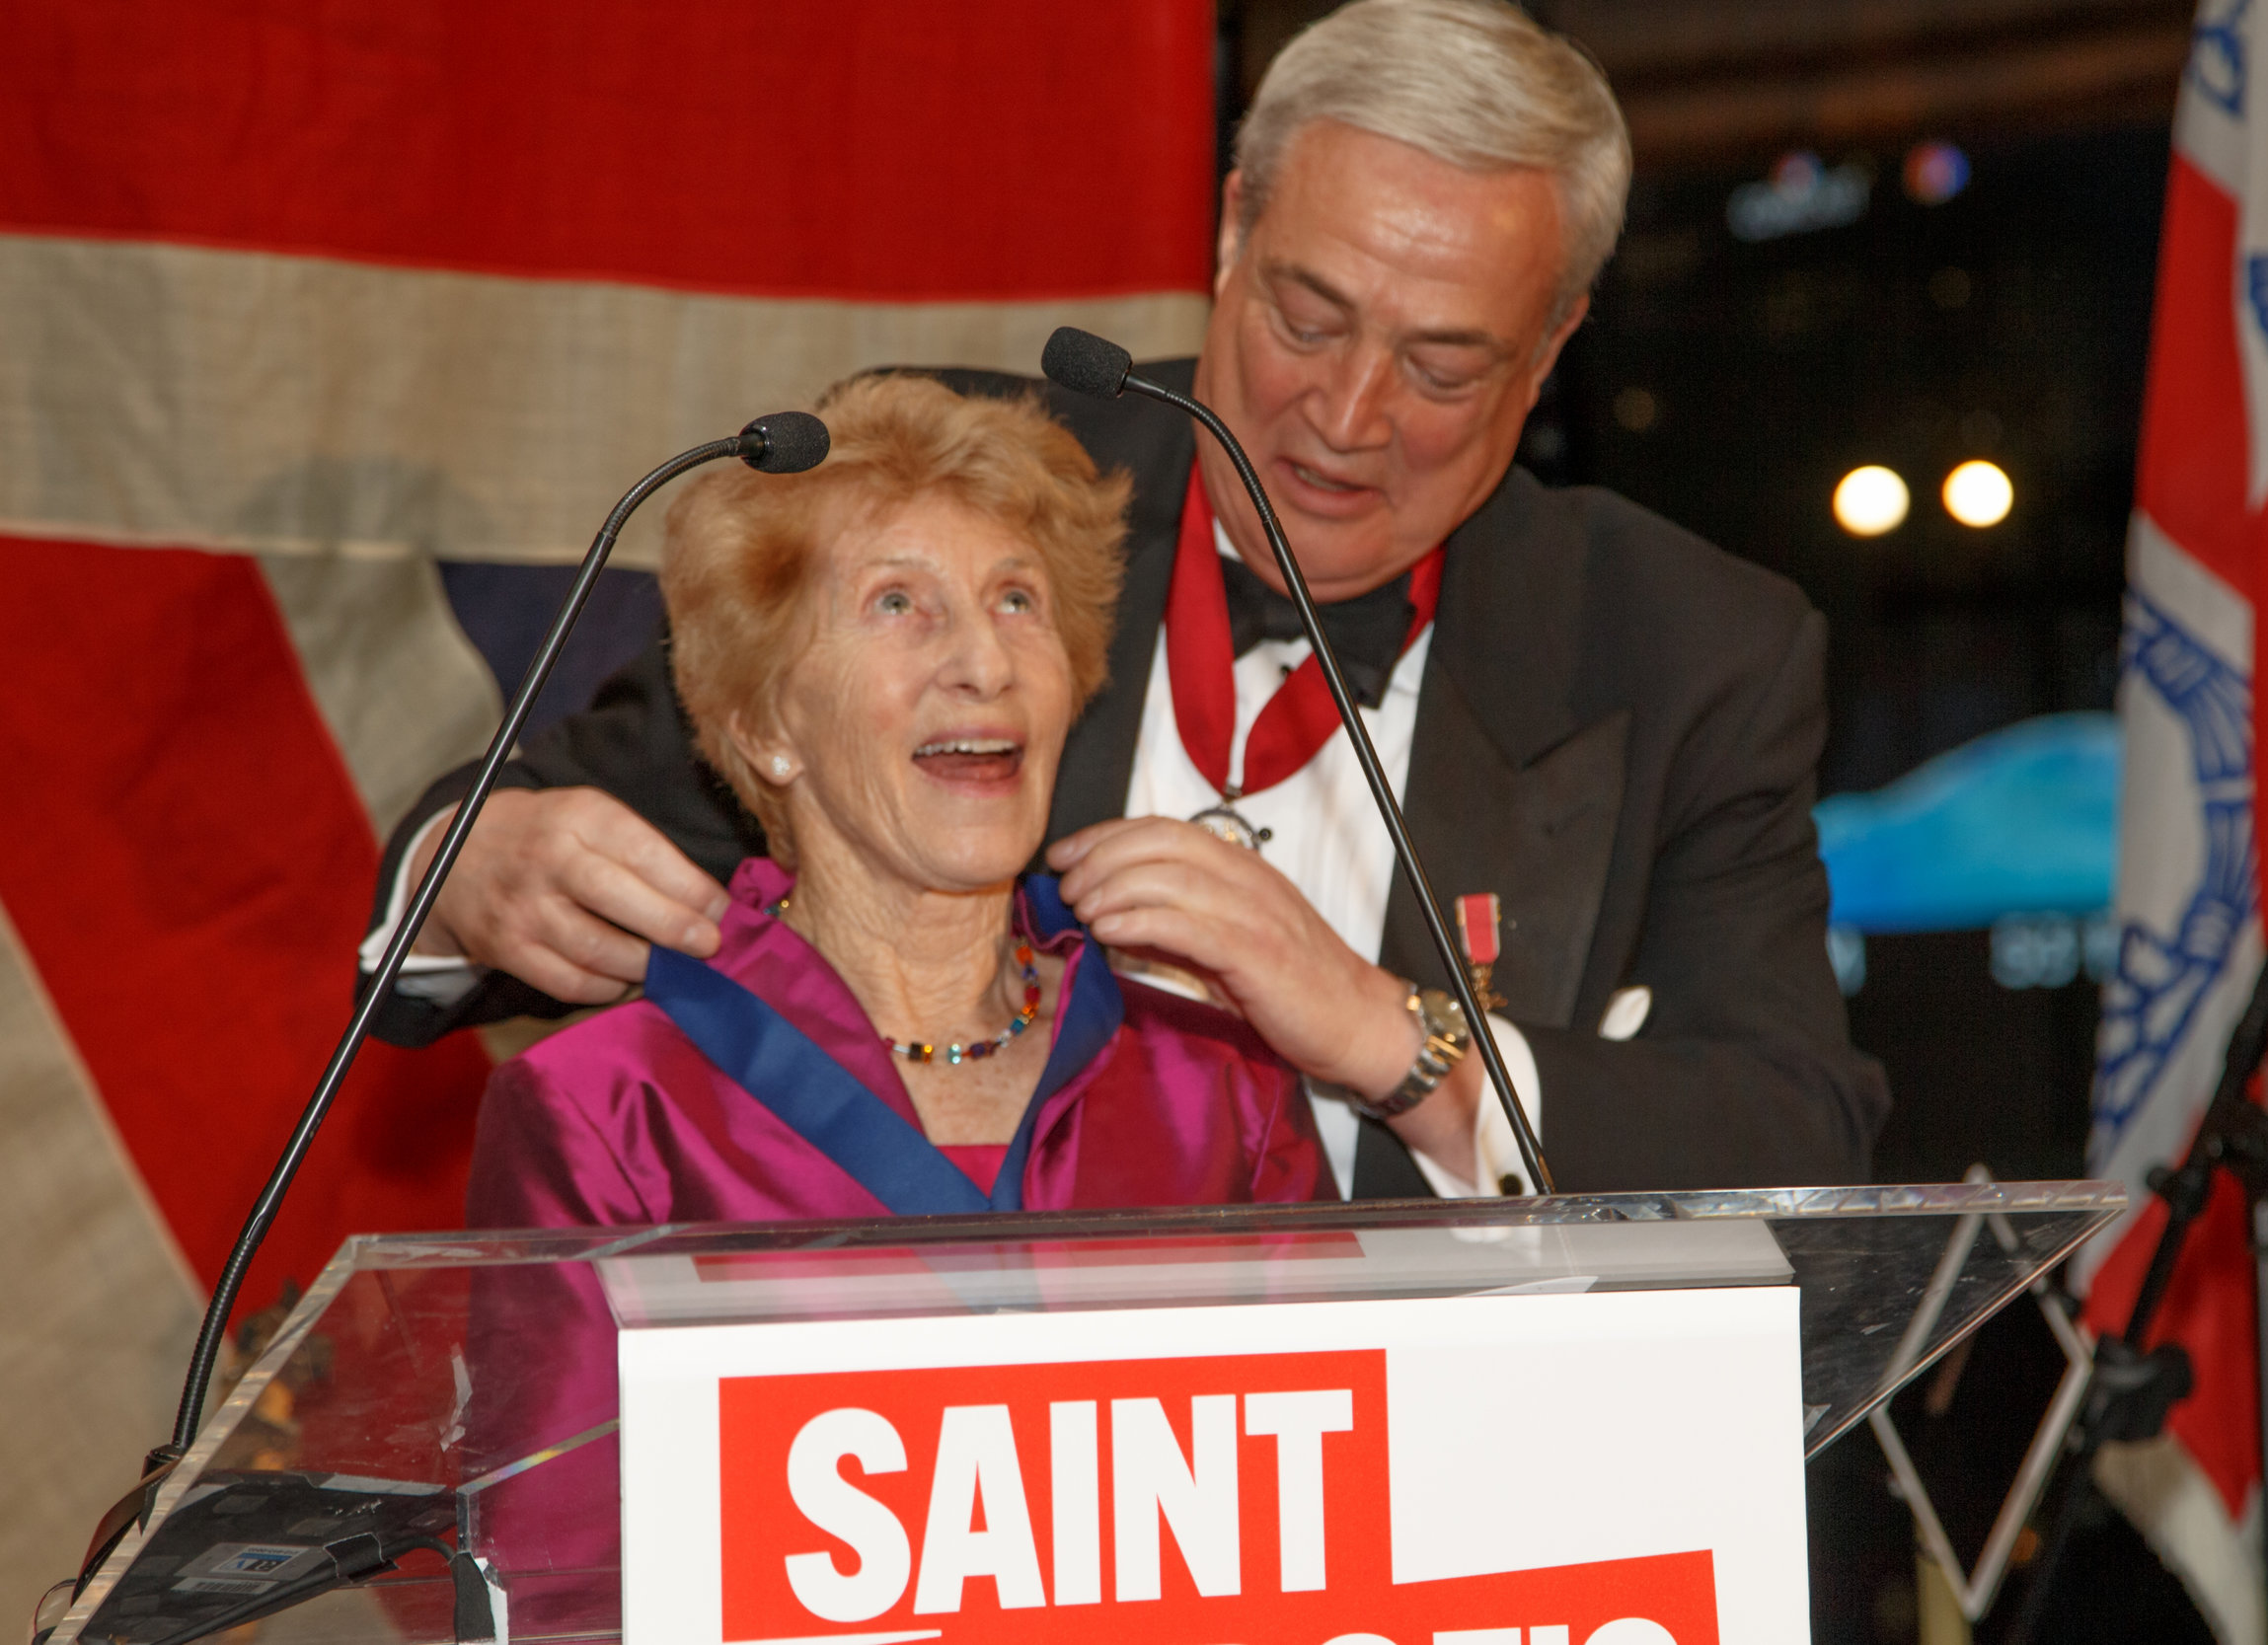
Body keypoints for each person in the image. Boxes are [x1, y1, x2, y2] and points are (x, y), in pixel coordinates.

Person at [373, 0, 1887, 1201]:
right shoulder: (965, 496)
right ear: (1231, 230)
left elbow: (1800, 1134)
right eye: (1308, 314)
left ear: (1550, 348)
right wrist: (462, 870)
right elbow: (528, 828)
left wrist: (1386, 1034)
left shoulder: (1692, 646)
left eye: (1443, 365)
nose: (1350, 414)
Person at [465, 372, 1335, 1231]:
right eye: (896, 602)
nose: (986, 664)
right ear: (767, 724)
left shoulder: (1224, 1088)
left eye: (1017, 600)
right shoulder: (609, 1111)